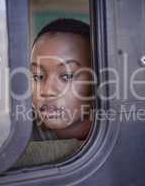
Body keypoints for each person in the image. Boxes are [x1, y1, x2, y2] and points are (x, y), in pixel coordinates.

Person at [13, 18, 93, 168]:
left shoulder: (123, 132)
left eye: (66, 76)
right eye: (37, 76)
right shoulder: (7, 136)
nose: (46, 91)